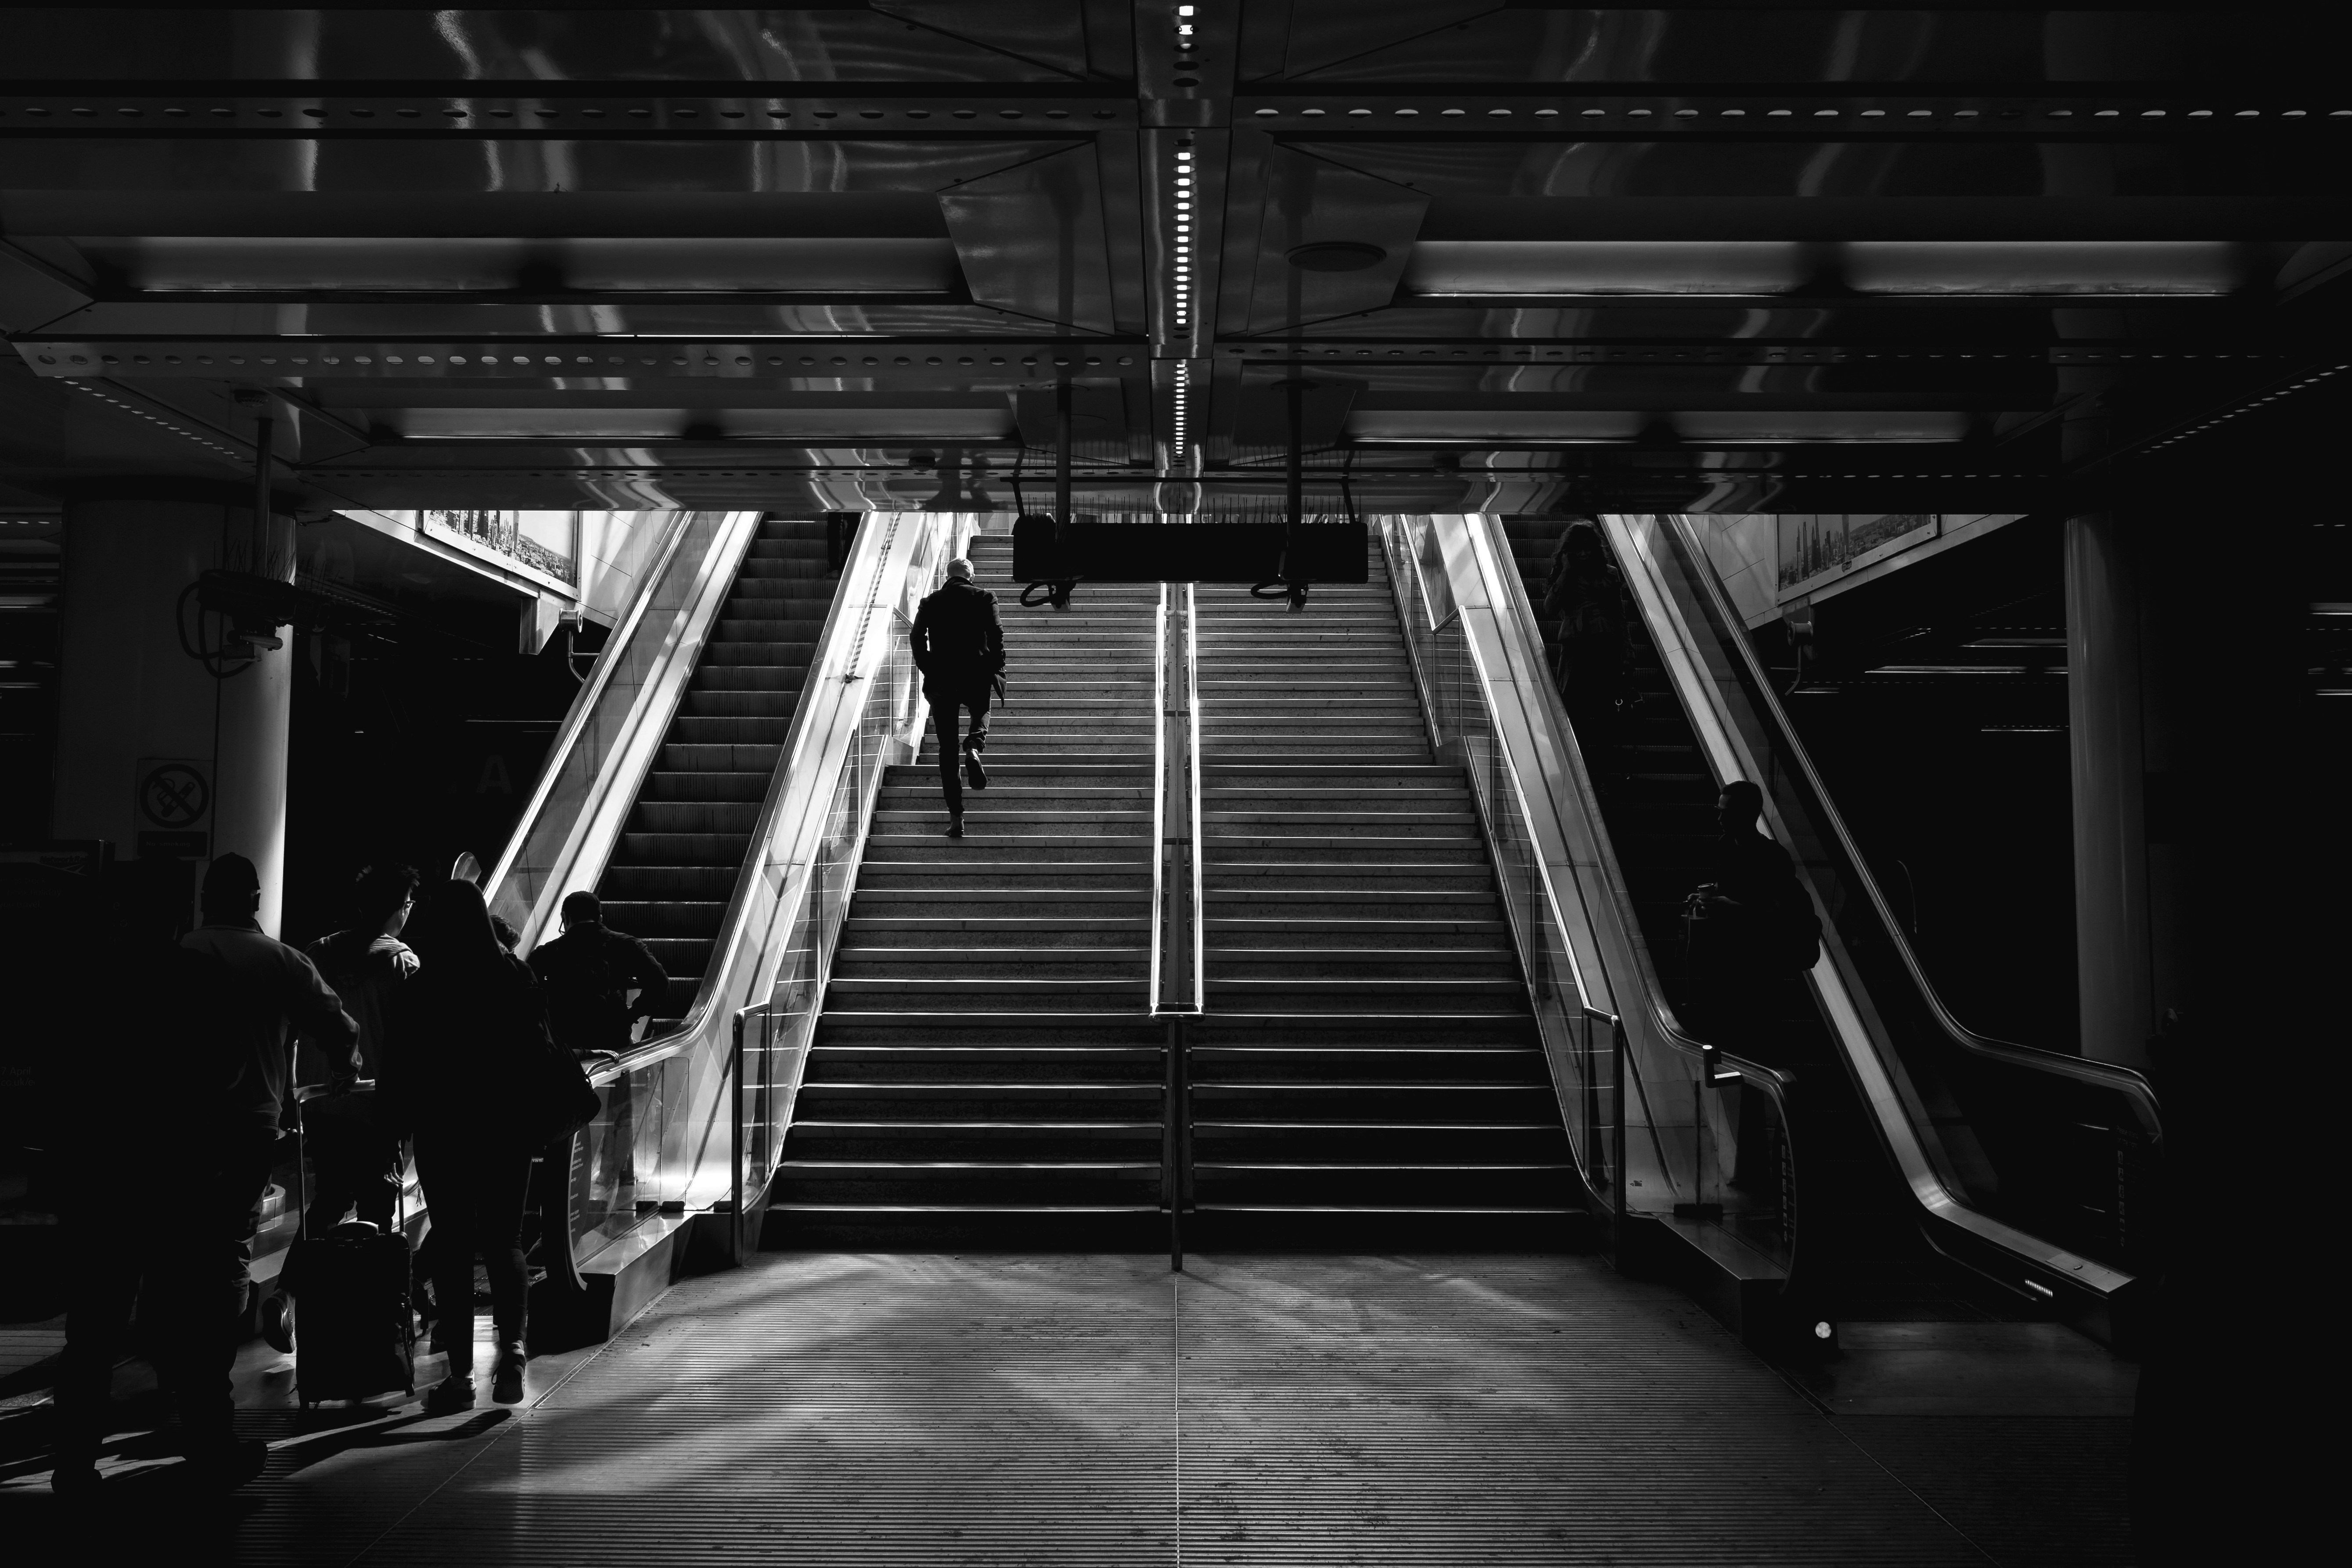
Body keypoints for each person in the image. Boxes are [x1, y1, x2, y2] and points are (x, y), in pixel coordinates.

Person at [51, 854, 358, 1495]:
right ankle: (207, 1442)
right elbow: (231, 1064)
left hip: (100, 1169)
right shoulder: (209, 970)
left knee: (96, 1319)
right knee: (202, 1289)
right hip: (195, 1159)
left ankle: (75, 1460)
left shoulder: (82, 978)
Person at [388, 879, 556, 1411]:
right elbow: (541, 1048)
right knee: (506, 1239)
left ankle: (460, 1376)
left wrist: (395, 1121)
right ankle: (512, 1353)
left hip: (444, 1128)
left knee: (455, 1245)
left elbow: (402, 1062)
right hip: (507, 1127)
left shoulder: (424, 984)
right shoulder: (515, 974)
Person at [299, 862, 421, 1235]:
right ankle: (371, 1291)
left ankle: (290, 1291)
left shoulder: (317, 954)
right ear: (403, 906)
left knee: (331, 1198)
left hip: (322, 1102)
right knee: (378, 1206)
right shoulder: (404, 964)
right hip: (377, 1107)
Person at [1685, 781, 1821, 1044]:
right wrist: (1709, 896)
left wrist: (1732, 907)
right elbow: (1730, 887)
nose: (1720, 818)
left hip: (1761, 967)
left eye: (1727, 812)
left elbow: (1779, 914)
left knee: (1757, 1035)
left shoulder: (1772, 856)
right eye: (1719, 810)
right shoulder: (1725, 845)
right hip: (1730, 960)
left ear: (1747, 815)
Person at [910, 555, 1006, 838]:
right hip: (975, 674)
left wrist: (928, 665)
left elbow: (916, 636)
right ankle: (975, 745)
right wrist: (996, 665)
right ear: (971, 577)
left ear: (947, 577)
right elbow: (996, 634)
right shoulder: (985, 597)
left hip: (942, 680)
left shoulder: (931, 601)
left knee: (946, 751)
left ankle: (956, 818)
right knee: (981, 711)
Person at [528, 890, 669, 1055]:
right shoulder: (626, 944)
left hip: (566, 1041)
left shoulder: (547, 953)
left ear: (565, 917)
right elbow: (660, 982)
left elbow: (527, 994)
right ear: (600, 917)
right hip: (613, 1034)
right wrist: (631, 1016)